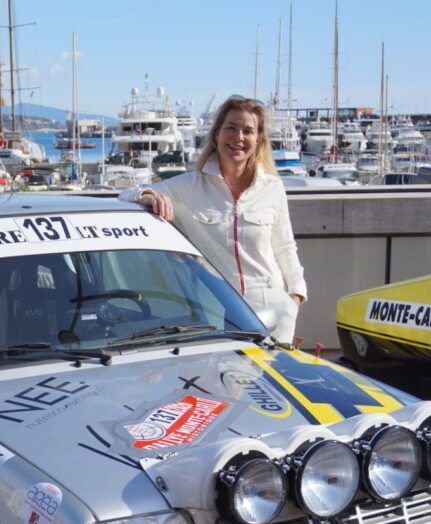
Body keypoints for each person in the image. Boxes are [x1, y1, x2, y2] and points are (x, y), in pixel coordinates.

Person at [122, 95, 307, 342]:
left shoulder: (272, 188)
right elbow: (124, 196)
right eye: (231, 128)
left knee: (272, 379)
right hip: (217, 314)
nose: (238, 137)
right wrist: (145, 195)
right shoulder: (191, 186)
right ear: (217, 133)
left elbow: (285, 246)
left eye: (248, 131)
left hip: (274, 311)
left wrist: (295, 295)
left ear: (259, 139)